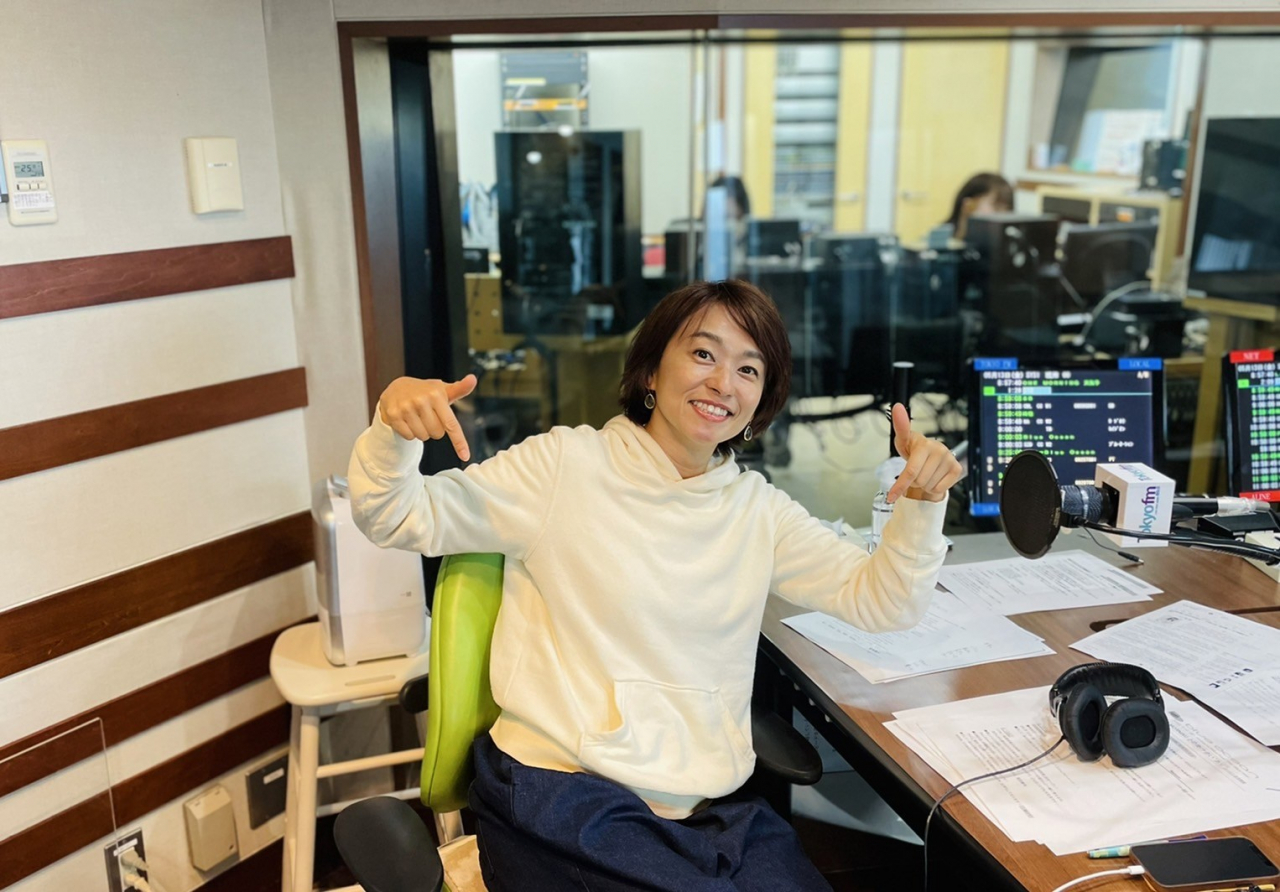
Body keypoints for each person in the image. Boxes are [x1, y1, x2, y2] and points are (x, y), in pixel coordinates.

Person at [347, 278, 962, 891]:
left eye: (748, 369)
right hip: (561, 793)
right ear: (650, 370)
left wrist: (923, 501)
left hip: (705, 809)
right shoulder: (565, 466)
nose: (723, 383)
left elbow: (886, 601)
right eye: (703, 354)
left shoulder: (757, 510)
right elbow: (395, 514)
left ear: (761, 400)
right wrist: (393, 427)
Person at [945, 172, 1014, 240]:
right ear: (970, 205)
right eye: (997, 207)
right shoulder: (942, 236)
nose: (1004, 214)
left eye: (1007, 208)